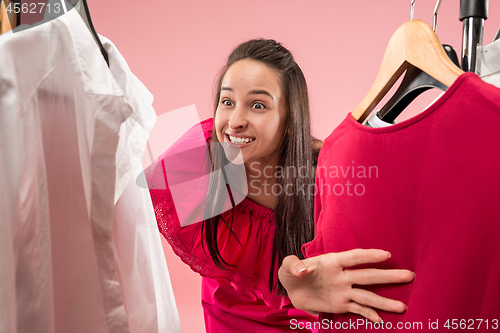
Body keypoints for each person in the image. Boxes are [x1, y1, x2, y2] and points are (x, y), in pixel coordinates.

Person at [146, 39, 414, 332]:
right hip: (225, 320)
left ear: (289, 119)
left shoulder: (326, 180)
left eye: (258, 105)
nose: (235, 121)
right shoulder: (204, 153)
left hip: (306, 321)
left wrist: (301, 293)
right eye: (227, 102)